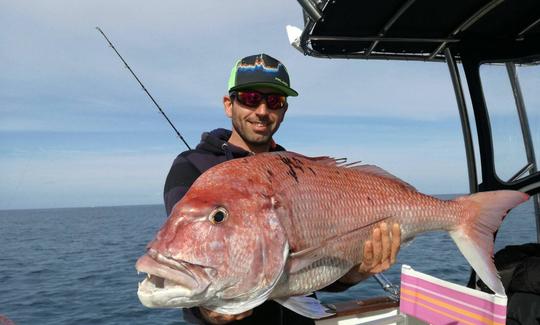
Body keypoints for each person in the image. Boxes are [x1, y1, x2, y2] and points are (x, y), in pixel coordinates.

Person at [163, 53, 401, 325]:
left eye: (274, 101)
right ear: (229, 104)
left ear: (284, 110)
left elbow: (314, 274)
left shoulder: (300, 173)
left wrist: (355, 273)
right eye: (250, 98)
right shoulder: (192, 167)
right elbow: (188, 251)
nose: (262, 111)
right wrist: (205, 311)